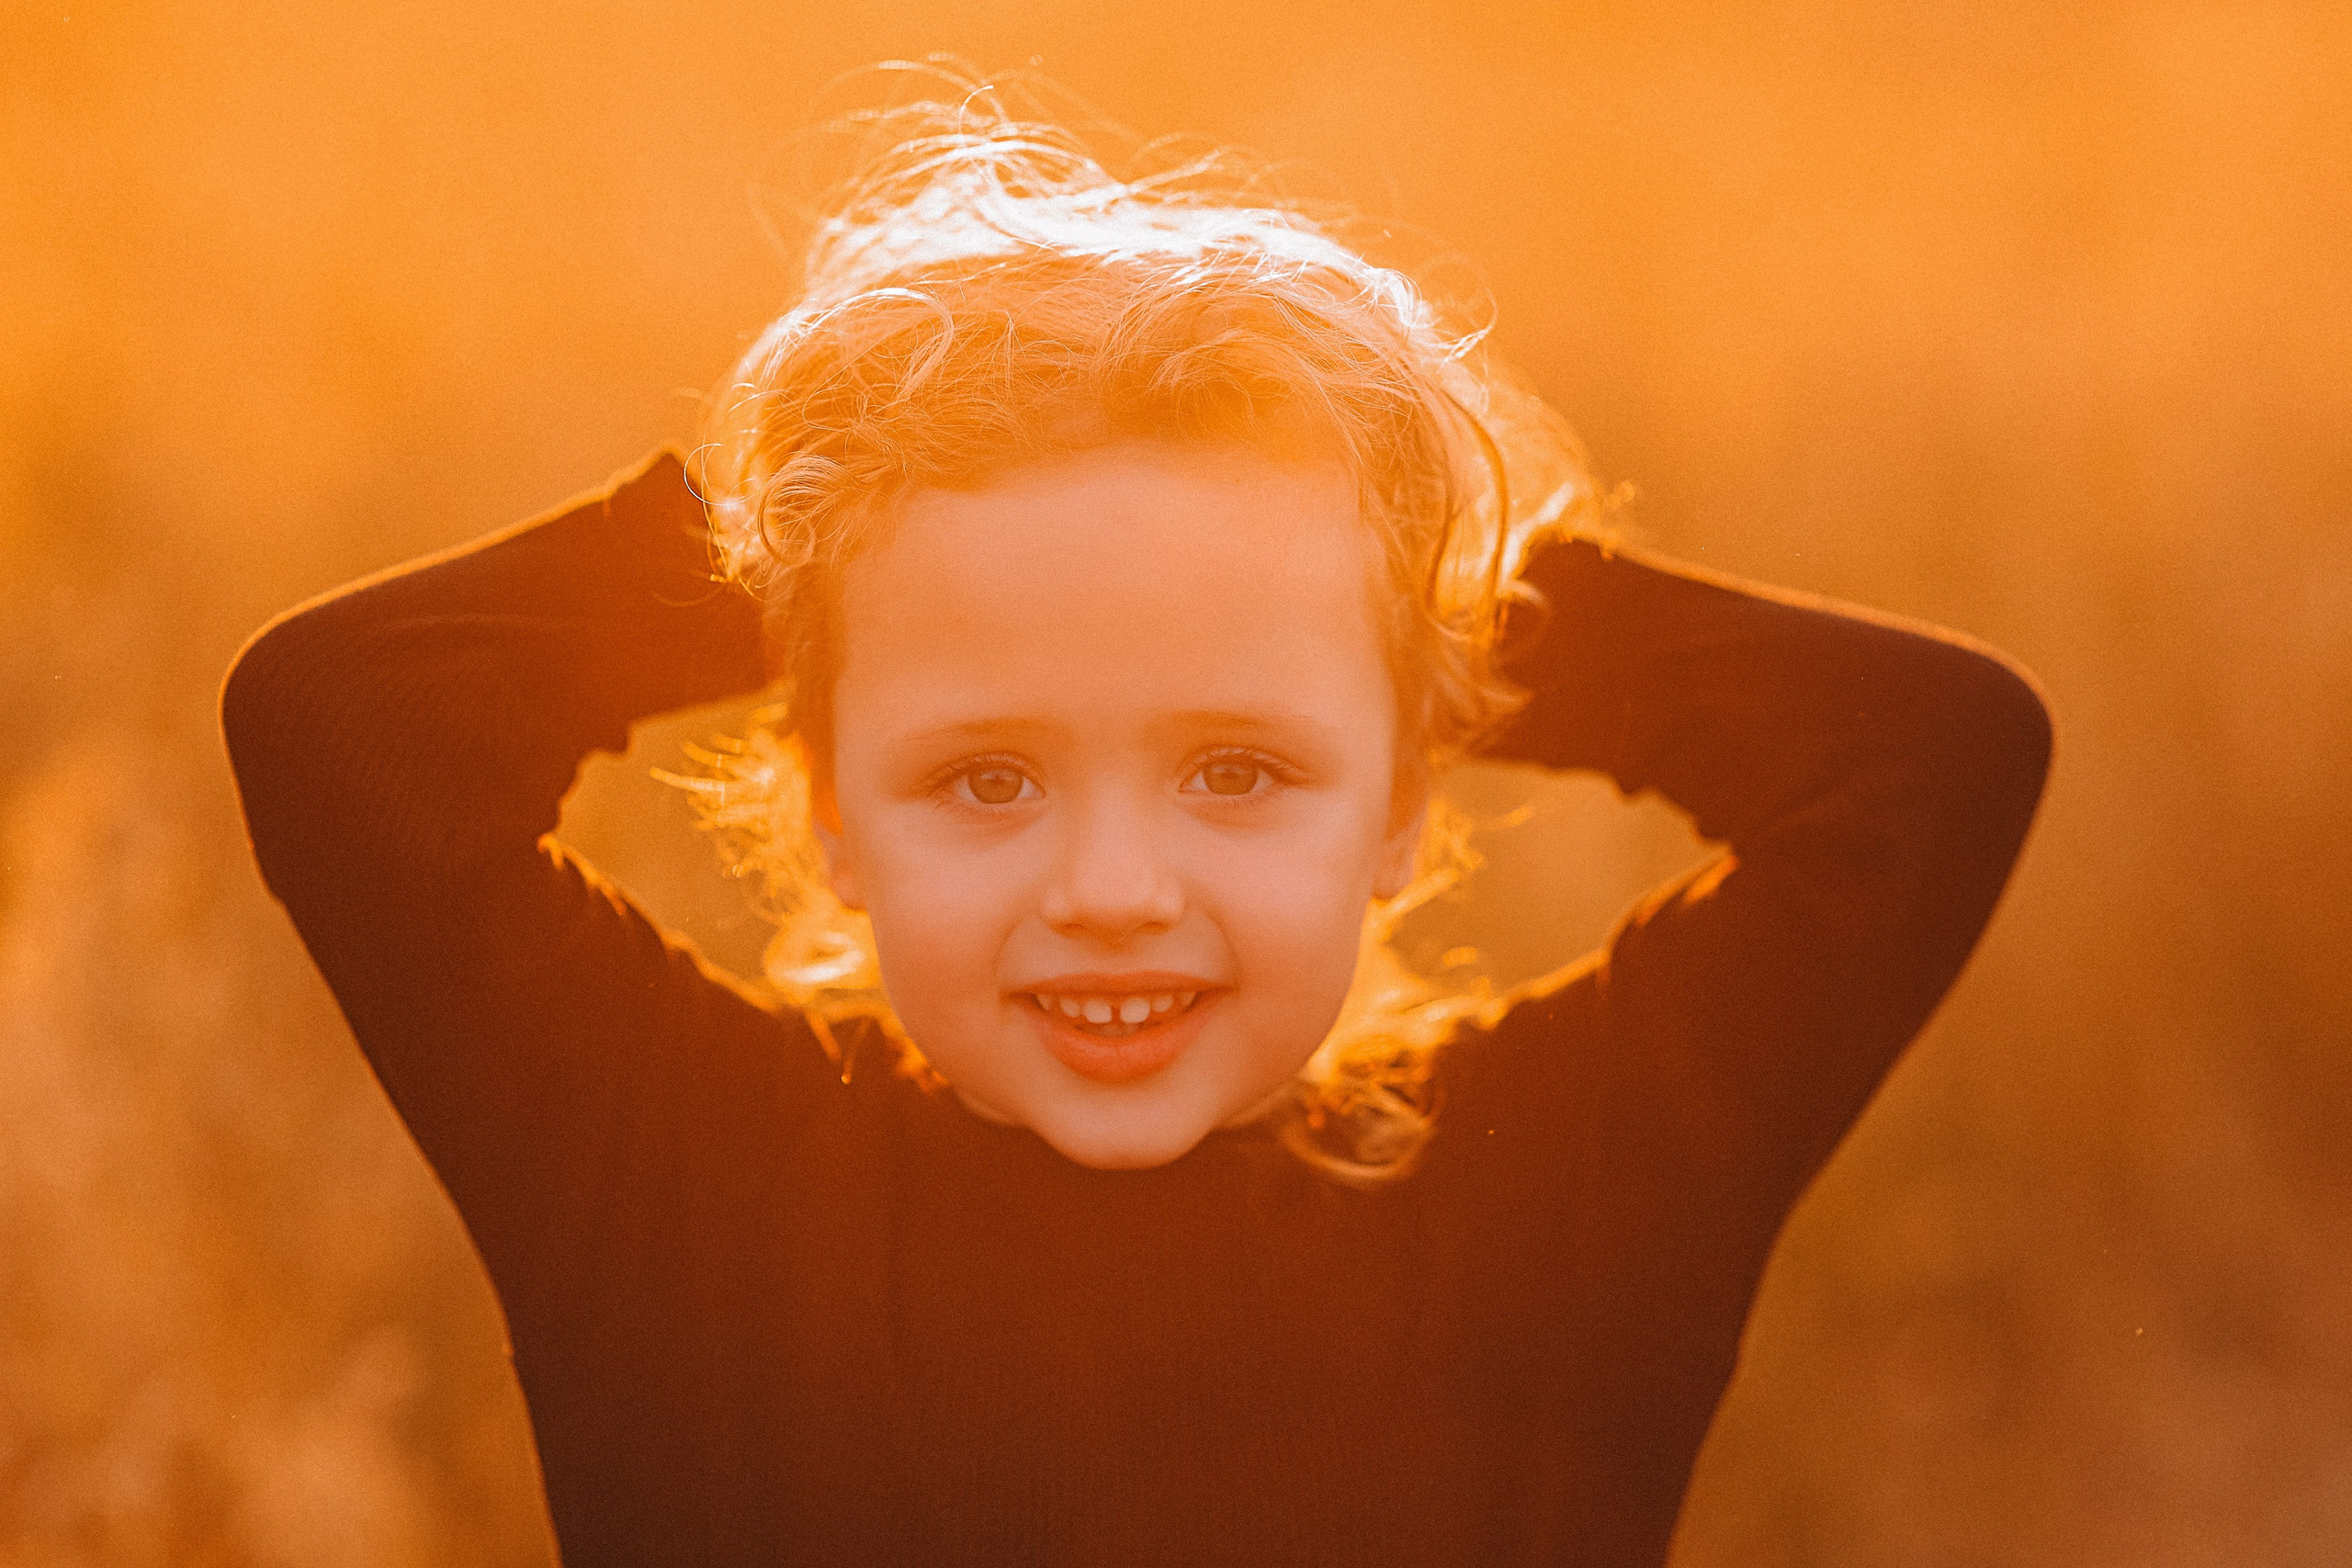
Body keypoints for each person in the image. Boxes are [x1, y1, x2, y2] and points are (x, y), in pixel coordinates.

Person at [221, 65, 2051, 1568]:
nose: (1110, 889)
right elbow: (347, 725)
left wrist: (1382, 591)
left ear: (1405, 798)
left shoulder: (1564, 1186)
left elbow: (1927, 755)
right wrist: (844, 543)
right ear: (832, 809)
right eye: (985, 776)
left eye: (1238, 768)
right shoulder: (677, 1174)